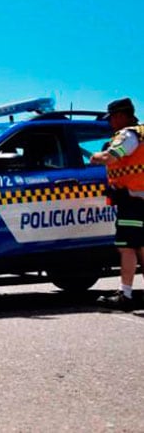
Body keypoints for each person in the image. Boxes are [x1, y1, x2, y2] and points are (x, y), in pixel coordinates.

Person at [90, 98, 144, 311]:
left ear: (121, 115)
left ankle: (126, 295)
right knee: (140, 247)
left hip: (133, 200)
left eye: (111, 118)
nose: (110, 122)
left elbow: (112, 157)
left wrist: (96, 157)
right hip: (139, 198)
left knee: (128, 248)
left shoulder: (128, 135)